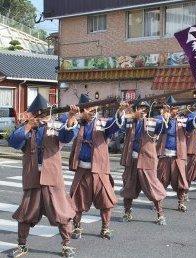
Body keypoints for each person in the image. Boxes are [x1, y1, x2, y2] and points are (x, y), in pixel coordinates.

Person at [8, 94, 78, 257]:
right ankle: (22, 245)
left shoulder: (56, 126)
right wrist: (28, 126)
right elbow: (13, 141)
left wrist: (71, 118)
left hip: (52, 178)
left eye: (44, 114)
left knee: (62, 212)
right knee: (26, 214)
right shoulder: (27, 128)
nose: (42, 117)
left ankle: (66, 245)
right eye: (38, 114)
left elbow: (67, 136)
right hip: (32, 177)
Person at [69, 94, 123, 240]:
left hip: (100, 170)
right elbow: (66, 133)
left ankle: (105, 228)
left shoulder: (102, 123)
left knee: (106, 201)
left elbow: (115, 125)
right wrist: (72, 117)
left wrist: (119, 112)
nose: (90, 110)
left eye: (92, 107)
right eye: (87, 108)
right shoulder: (77, 123)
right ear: (81, 110)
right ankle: (77, 227)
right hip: (82, 169)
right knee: (76, 201)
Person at [120, 100, 167, 225]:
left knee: (153, 187)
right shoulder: (129, 121)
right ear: (136, 109)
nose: (143, 111)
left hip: (147, 160)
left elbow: (163, 128)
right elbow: (119, 124)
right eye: (140, 108)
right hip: (132, 160)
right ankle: (127, 212)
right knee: (128, 187)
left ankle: (160, 214)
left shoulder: (153, 122)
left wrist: (166, 116)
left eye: (145, 109)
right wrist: (124, 111)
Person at [156, 97, 189, 212]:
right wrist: (166, 118)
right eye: (172, 109)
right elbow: (158, 128)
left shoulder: (182, 120)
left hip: (178, 156)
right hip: (164, 155)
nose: (174, 111)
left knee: (180, 180)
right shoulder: (161, 119)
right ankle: (158, 203)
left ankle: (181, 203)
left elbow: (191, 126)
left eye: (175, 109)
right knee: (161, 180)